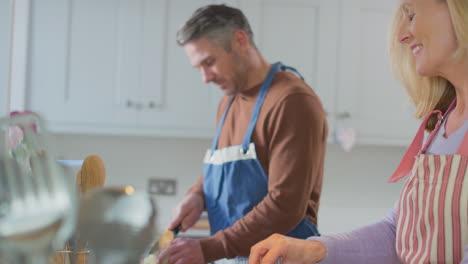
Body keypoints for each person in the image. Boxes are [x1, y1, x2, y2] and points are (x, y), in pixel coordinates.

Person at [248, 0, 468, 263]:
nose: (402, 35)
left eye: (411, 15)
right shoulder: (439, 124)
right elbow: (396, 232)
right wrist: (311, 249)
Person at [157, 4, 328, 264]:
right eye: (198, 68)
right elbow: (227, 170)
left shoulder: (291, 101)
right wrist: (196, 195)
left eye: (210, 62)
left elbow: (285, 204)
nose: (205, 78)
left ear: (239, 41)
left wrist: (208, 248)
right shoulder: (228, 102)